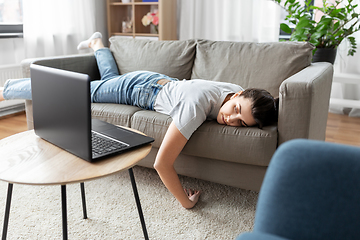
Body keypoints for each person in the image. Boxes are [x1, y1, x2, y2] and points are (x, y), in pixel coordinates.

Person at [0, 32, 279, 209]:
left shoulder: (234, 89)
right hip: (139, 89)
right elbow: (162, 163)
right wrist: (186, 202)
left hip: (156, 82)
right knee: (79, 92)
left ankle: (98, 43)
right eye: (235, 109)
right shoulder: (195, 106)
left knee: (107, 82)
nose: (230, 118)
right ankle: (5, 89)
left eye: (241, 123)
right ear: (238, 94)